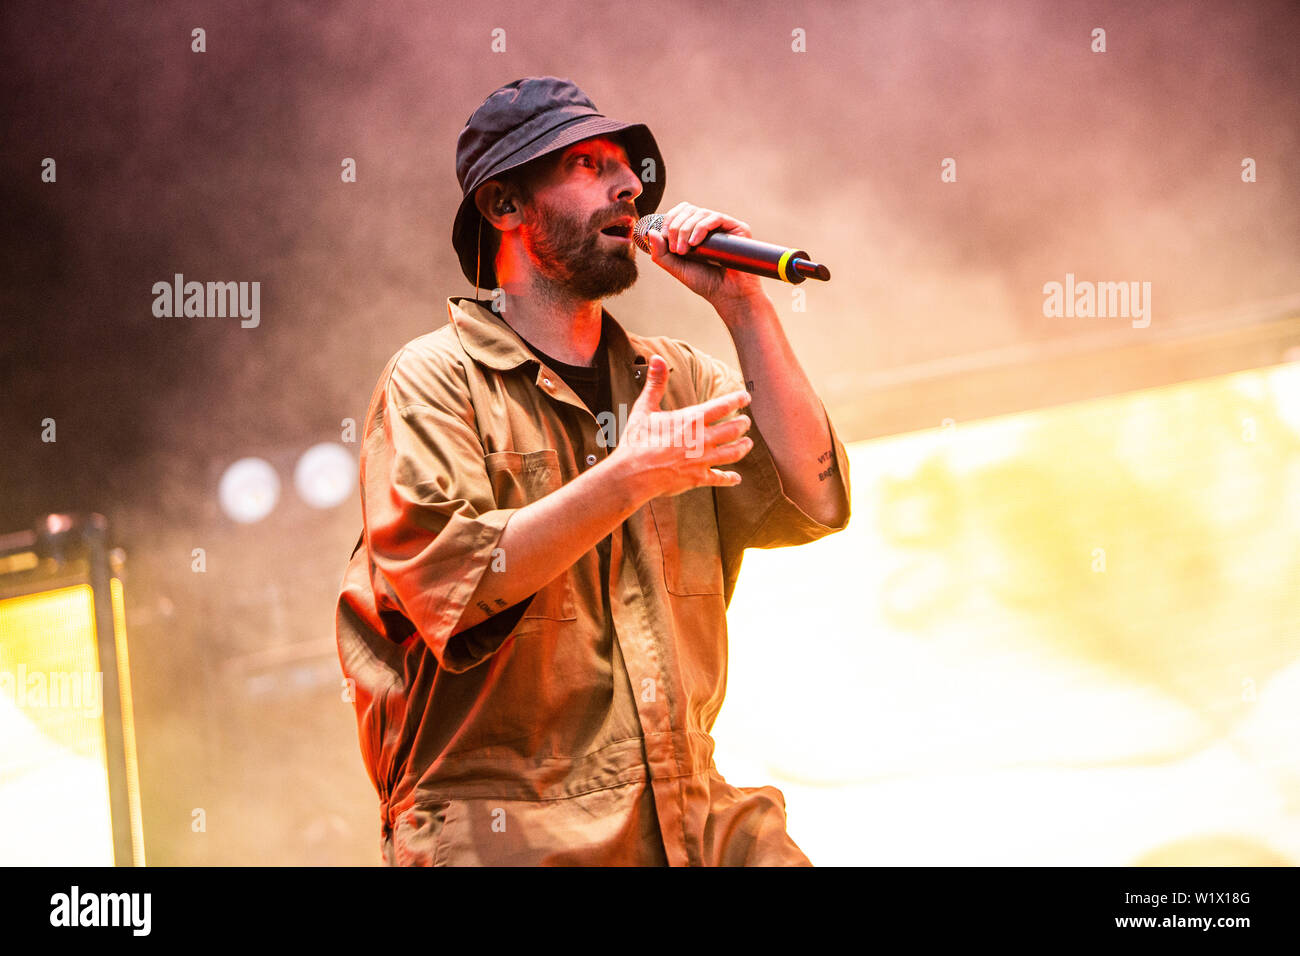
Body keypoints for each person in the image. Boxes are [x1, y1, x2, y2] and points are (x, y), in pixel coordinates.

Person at [335, 76, 851, 866]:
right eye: (586, 164)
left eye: (628, 166)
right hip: (515, 837)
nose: (628, 184)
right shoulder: (433, 380)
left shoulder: (676, 374)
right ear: (504, 206)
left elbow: (817, 496)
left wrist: (747, 307)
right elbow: (457, 587)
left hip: (696, 819)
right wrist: (629, 476)